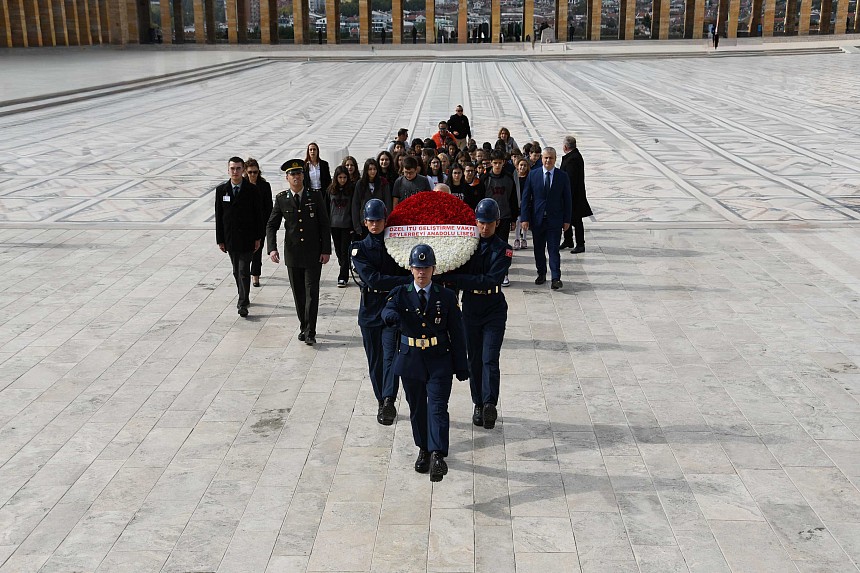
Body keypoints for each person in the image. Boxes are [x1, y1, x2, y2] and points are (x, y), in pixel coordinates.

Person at [382, 245, 468, 482]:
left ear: (434, 269)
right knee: (418, 408)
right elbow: (387, 310)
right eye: (418, 267)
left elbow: (457, 333)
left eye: (426, 267)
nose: (422, 272)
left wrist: (462, 365)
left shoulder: (446, 297)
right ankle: (424, 449)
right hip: (411, 361)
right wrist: (391, 317)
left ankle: (439, 454)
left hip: (439, 359)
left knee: (438, 407)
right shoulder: (400, 293)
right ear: (411, 269)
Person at [438, 199, 512, 430]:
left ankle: (490, 403)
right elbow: (453, 268)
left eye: (489, 223)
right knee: (474, 359)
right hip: (471, 307)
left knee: (489, 357)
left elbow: (491, 279)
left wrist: (458, 280)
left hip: (493, 307)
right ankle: (478, 403)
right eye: (481, 223)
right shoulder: (467, 247)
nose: (485, 227)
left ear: (497, 223)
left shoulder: (503, 249)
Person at [351, 199, 410, 425]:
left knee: (390, 356)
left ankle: (388, 400)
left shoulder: (396, 244)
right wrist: (405, 280)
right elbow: (372, 279)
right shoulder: (359, 248)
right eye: (371, 221)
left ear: (385, 221)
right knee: (375, 360)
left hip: (391, 308)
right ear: (365, 222)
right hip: (370, 311)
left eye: (379, 220)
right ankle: (381, 398)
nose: (375, 225)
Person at [267, 159, 331, 345]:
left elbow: (324, 224)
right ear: (287, 178)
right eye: (292, 174)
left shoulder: (315, 195)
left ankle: (311, 331)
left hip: (313, 252)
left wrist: (326, 250)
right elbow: (272, 224)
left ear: (303, 176)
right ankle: (304, 325)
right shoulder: (281, 198)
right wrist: (272, 248)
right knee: (299, 294)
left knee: (312, 292)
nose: (296, 177)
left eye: (299, 173)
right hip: (293, 254)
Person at [215, 157, 262, 318]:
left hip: (247, 238)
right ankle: (244, 295)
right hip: (230, 238)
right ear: (228, 170)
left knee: (243, 270)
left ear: (243, 170)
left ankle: (242, 303)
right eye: (232, 168)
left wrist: (258, 238)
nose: (235, 172)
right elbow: (219, 216)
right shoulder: (221, 191)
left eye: (238, 168)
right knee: (236, 271)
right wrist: (220, 239)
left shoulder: (251, 190)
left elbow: (258, 216)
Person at [519, 147, 571, 290]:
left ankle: (556, 278)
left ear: (555, 159)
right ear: (542, 158)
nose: (548, 160)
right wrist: (524, 218)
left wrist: (567, 219)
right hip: (538, 219)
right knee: (539, 249)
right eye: (546, 158)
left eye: (551, 158)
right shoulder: (533, 175)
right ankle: (541, 273)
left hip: (554, 220)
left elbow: (567, 199)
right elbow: (526, 197)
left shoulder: (562, 176)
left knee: (553, 249)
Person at [482, 150, 519, 287]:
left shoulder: (508, 178)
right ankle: (487, 271)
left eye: (500, 163)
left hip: (504, 217)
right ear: (491, 163)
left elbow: (513, 199)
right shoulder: (485, 178)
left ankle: (503, 274)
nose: (497, 165)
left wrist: (514, 219)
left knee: (502, 246)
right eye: (495, 163)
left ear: (504, 163)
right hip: (488, 219)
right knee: (487, 246)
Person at [559, 135, 593, 254]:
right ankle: (568, 240)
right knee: (567, 218)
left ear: (565, 147)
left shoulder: (572, 159)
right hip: (573, 195)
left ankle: (580, 244)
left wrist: (566, 195)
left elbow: (571, 180)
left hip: (573, 196)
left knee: (576, 221)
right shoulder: (574, 156)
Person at [245, 158, 273, 288]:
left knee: (257, 250)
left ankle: (255, 275)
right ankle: (245, 273)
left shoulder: (264, 186)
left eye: (255, 172)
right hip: (245, 226)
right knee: (246, 251)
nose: (252, 175)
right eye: (250, 172)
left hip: (260, 224)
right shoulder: (242, 186)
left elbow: (269, 207)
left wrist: (268, 224)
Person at [326, 165, 355, 287]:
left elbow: (354, 207)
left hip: (346, 225)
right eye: (340, 177)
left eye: (344, 177)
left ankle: (343, 276)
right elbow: (326, 207)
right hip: (334, 225)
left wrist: (354, 225)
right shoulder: (330, 190)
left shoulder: (351, 189)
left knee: (344, 250)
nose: (342, 180)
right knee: (338, 250)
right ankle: (344, 266)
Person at [353, 157, 393, 238]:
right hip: (365, 222)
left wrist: (387, 222)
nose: (372, 171)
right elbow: (355, 205)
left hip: (380, 222)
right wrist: (357, 227)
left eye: (374, 169)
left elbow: (388, 203)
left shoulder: (383, 183)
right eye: (370, 169)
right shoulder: (360, 184)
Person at [512, 157, 531, 250]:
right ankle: (516, 239)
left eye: (524, 165)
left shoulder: (529, 177)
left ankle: (524, 238)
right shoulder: (514, 177)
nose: (522, 167)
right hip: (516, 202)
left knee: (524, 220)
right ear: (517, 167)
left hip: (526, 202)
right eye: (521, 165)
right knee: (517, 220)